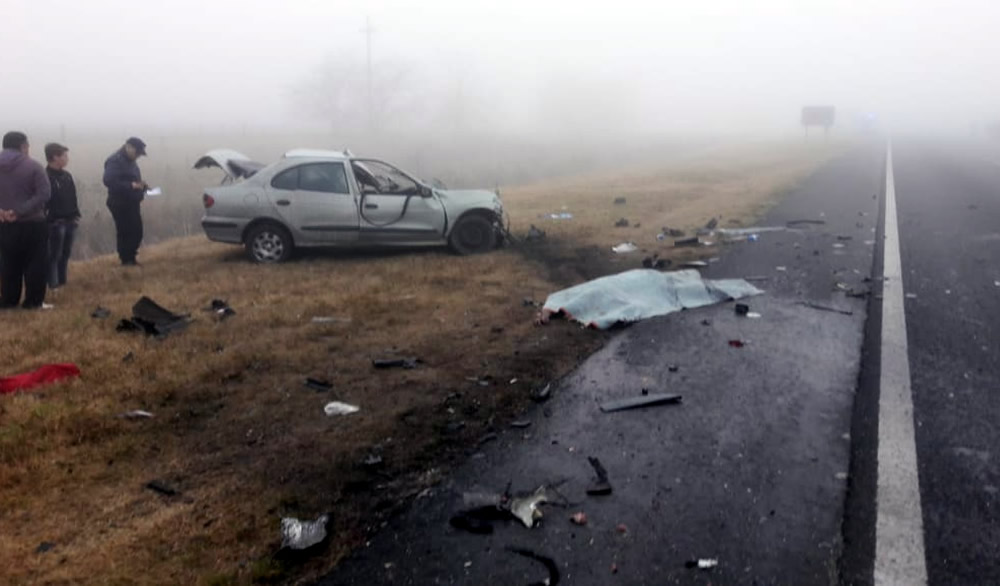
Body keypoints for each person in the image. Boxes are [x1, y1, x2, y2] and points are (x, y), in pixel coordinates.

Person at [0, 131, 51, 309]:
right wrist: (19, 211)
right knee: (35, 262)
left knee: (9, 263)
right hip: (32, 223)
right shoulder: (34, 166)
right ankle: (33, 302)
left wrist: (2, 212)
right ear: (23, 146)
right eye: (27, 145)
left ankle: (8, 301)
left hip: (5, 224)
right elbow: (44, 193)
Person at [103, 137, 148, 266]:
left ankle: (131, 257)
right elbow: (108, 181)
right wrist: (131, 186)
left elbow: (133, 178)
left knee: (137, 230)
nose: (138, 156)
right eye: (137, 153)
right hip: (120, 203)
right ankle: (126, 260)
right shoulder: (115, 161)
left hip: (132, 202)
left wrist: (141, 186)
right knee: (126, 231)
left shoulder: (131, 161)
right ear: (128, 147)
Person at [45, 143, 80, 289]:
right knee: (54, 255)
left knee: (65, 254)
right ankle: (53, 285)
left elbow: (73, 196)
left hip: (70, 220)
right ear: (54, 157)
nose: (67, 159)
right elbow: (45, 201)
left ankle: (62, 282)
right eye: (64, 156)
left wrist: (76, 214)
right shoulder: (45, 177)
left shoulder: (67, 176)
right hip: (55, 222)